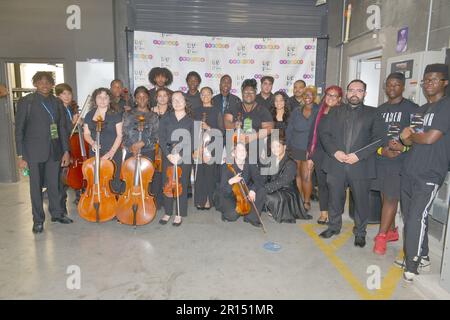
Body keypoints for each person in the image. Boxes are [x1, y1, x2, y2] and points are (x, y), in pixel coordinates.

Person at [397, 64, 449, 282]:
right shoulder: (420, 110)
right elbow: (406, 139)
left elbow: (430, 138)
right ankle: (423, 255)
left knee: (417, 217)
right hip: (410, 169)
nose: (429, 84)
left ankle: (412, 263)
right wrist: (408, 135)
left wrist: (412, 135)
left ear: (445, 82)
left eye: (435, 80)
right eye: (426, 80)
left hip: (430, 172)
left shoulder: (446, 107)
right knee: (410, 217)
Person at [319, 80, 384, 247]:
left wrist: (358, 155)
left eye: (359, 90)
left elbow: (379, 138)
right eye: (351, 90)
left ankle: (360, 232)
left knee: (361, 202)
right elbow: (324, 134)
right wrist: (335, 152)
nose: (355, 93)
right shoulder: (334, 111)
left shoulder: (374, 113)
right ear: (346, 93)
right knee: (335, 198)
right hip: (336, 163)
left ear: (364, 94)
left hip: (361, 165)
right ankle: (333, 226)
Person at [15, 72, 72, 233]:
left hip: (54, 151)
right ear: (35, 84)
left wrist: (66, 151)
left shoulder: (57, 102)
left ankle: (57, 213)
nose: (45, 85)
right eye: (40, 82)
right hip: (33, 153)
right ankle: (38, 220)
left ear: (52, 84)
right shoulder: (27, 102)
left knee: (54, 185)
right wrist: (20, 155)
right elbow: (19, 129)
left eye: (48, 82)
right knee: (36, 188)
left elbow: (61, 128)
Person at [372, 73, 418, 255]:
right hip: (382, 158)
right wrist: (382, 150)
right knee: (385, 195)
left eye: (396, 85)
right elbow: (374, 136)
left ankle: (381, 237)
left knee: (391, 197)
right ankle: (391, 231)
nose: (392, 88)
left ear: (403, 87)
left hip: (401, 161)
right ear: (385, 87)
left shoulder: (414, 109)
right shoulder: (379, 109)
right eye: (389, 85)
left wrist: (403, 148)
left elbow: (418, 136)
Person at [307, 86, 343, 224]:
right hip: (319, 153)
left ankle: (335, 213)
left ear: (339, 99)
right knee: (322, 184)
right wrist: (310, 156)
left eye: (334, 96)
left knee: (334, 184)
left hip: (335, 154)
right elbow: (312, 134)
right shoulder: (319, 111)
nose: (331, 98)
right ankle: (323, 213)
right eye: (328, 95)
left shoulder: (343, 112)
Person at [158, 92, 194, 226]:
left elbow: (194, 141)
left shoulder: (191, 121)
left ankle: (179, 213)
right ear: (170, 103)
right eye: (174, 99)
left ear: (185, 101)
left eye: (180, 99)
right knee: (167, 184)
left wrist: (180, 154)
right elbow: (161, 138)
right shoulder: (165, 118)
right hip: (168, 156)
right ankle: (167, 212)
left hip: (183, 157)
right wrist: (168, 154)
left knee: (182, 184)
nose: (177, 102)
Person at [264, 132, 311, 223]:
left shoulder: (291, 163)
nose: (275, 149)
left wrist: (265, 188)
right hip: (274, 188)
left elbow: (283, 181)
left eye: (278, 146)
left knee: (267, 196)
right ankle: (271, 207)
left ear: (284, 147)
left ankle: (277, 209)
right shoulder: (270, 160)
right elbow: (264, 177)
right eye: (273, 147)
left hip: (287, 191)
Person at [83, 88, 123, 194]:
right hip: (95, 152)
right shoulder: (89, 115)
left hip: (112, 152)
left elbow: (120, 135)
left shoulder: (116, 114)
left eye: (106, 97)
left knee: (113, 181)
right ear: (95, 99)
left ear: (110, 100)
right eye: (99, 97)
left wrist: (111, 152)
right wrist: (92, 142)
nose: (102, 100)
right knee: (96, 180)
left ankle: (113, 206)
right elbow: (86, 134)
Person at [286, 86, 320, 211]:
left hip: (310, 149)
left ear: (314, 96)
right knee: (297, 175)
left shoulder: (319, 110)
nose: (307, 97)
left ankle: (306, 201)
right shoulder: (296, 110)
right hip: (295, 146)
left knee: (307, 176)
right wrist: (288, 146)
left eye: (310, 95)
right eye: (305, 94)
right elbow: (289, 129)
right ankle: (299, 199)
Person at [217, 142, 266, 228]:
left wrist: (253, 190)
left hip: (243, 192)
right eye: (239, 150)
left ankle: (251, 217)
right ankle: (226, 213)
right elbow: (222, 190)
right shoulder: (226, 166)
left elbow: (259, 179)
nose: (242, 152)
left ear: (246, 153)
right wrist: (231, 181)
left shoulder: (250, 163)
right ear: (233, 153)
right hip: (229, 195)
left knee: (261, 190)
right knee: (232, 216)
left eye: (244, 150)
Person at [224, 78, 273, 163]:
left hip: (256, 150)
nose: (248, 95)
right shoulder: (235, 107)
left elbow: (269, 128)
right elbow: (226, 122)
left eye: (251, 92)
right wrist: (234, 125)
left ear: (255, 93)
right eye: (246, 92)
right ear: (242, 93)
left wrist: (253, 136)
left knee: (254, 174)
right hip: (235, 149)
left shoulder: (262, 109)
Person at [192, 87, 224, 210]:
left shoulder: (217, 111)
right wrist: (196, 148)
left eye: (208, 94)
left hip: (212, 146)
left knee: (210, 175)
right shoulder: (195, 111)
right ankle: (199, 200)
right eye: (203, 94)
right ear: (200, 97)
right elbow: (192, 130)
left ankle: (208, 200)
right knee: (199, 173)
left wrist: (209, 127)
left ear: (212, 95)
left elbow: (221, 131)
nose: (205, 96)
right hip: (199, 146)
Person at [55, 83, 82, 211]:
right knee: (61, 178)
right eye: (63, 94)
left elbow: (75, 131)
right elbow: (61, 131)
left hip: (72, 146)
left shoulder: (70, 109)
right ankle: (60, 207)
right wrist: (73, 123)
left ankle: (79, 195)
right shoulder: (57, 111)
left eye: (69, 93)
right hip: (61, 147)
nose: (67, 96)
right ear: (58, 96)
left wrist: (79, 123)